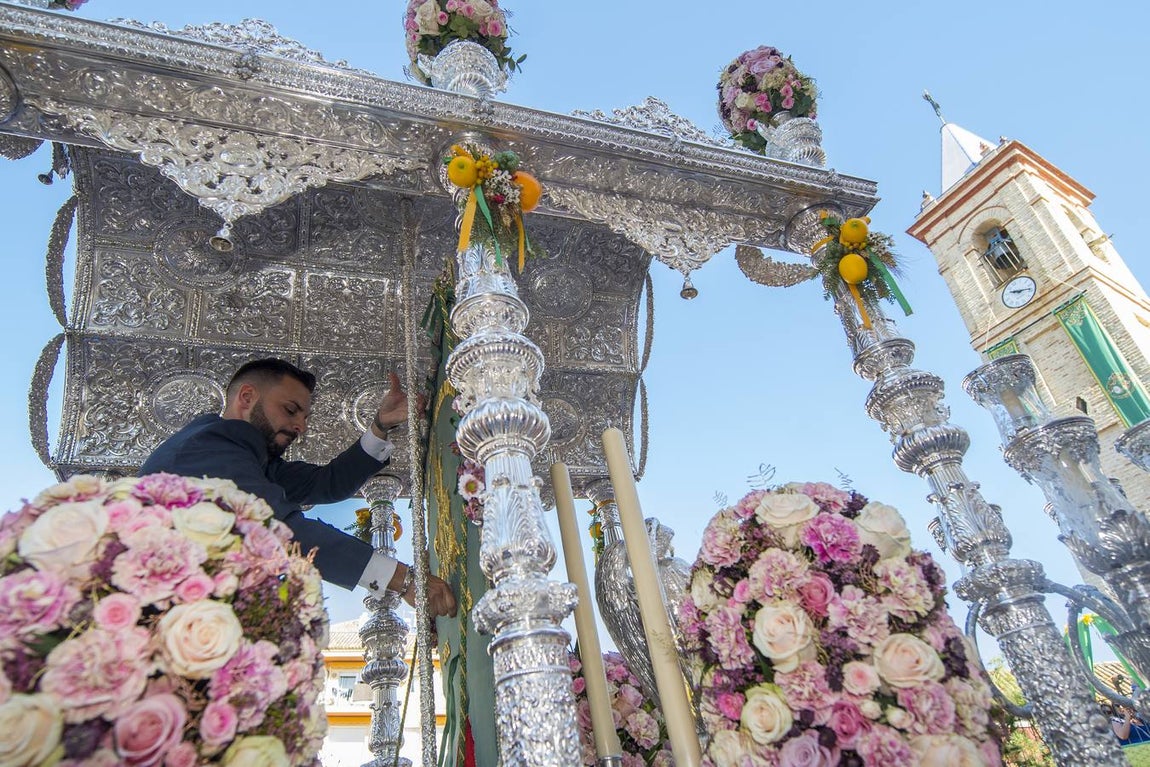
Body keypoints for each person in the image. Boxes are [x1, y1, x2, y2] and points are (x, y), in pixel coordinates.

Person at [140, 357, 457, 618]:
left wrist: (381, 426)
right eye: (291, 410)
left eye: (304, 416)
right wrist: (403, 581)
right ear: (247, 398)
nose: (300, 427)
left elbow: (327, 484)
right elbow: (277, 530)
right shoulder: (212, 446)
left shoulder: (249, 459)